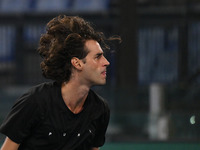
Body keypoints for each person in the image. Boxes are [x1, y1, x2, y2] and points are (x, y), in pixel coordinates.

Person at [0, 15, 118, 150]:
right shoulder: (34, 101)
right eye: (97, 57)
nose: (106, 62)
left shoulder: (100, 109)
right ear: (77, 63)